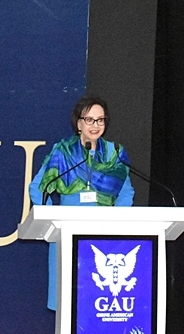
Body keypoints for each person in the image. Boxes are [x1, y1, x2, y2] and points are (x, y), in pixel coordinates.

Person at [29, 95, 134, 310]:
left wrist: (115, 222)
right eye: (89, 119)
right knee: (68, 303)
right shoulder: (63, 151)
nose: (95, 125)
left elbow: (126, 193)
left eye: (100, 120)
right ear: (78, 123)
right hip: (66, 234)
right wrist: (52, 220)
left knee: (97, 304)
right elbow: (38, 188)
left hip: (103, 238)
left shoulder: (115, 154)